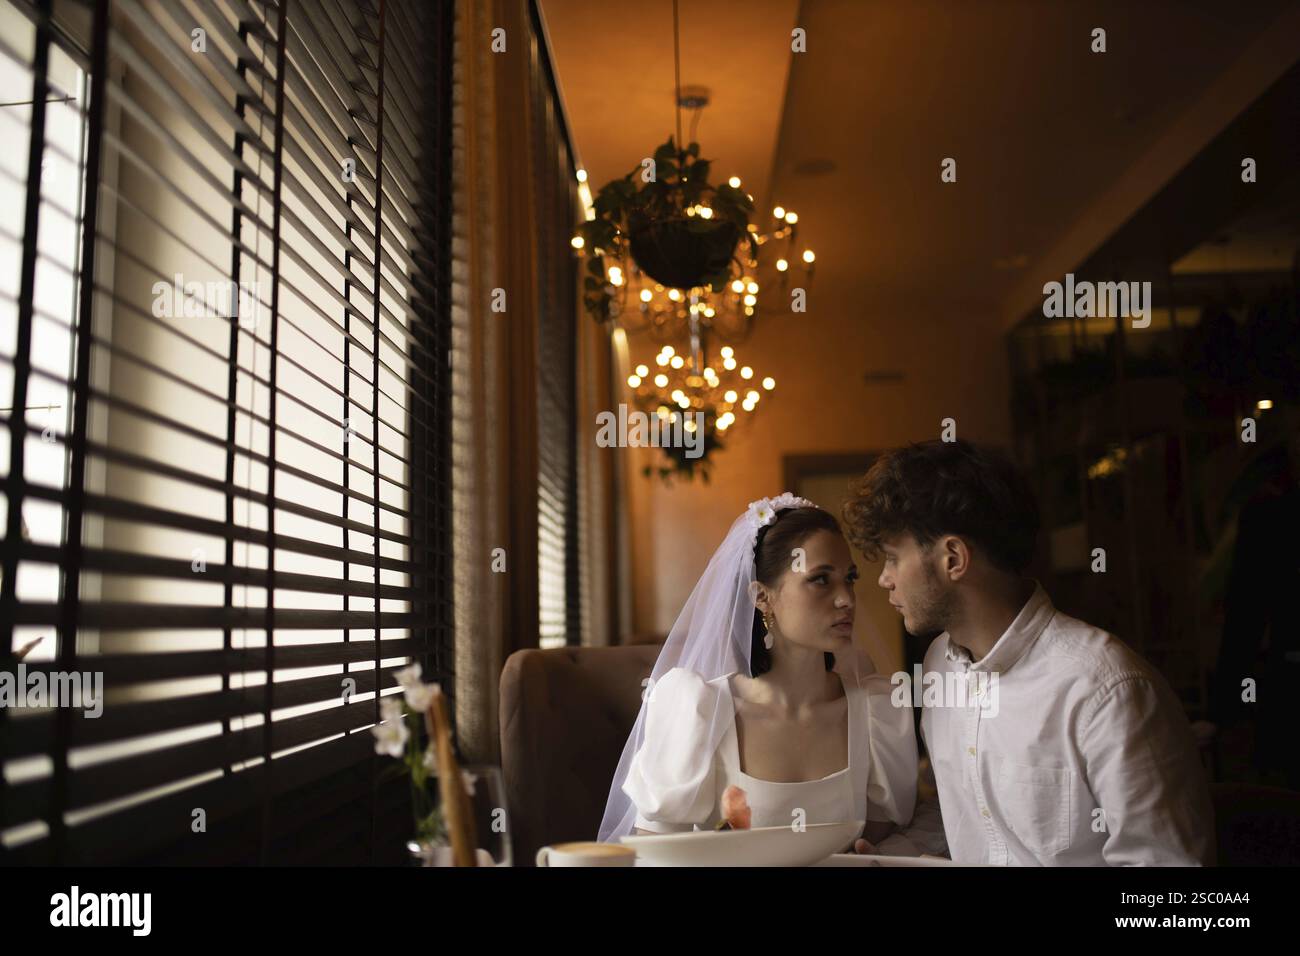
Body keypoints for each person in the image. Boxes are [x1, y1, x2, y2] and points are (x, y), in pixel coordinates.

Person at [842, 439, 1215, 865]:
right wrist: (890, 857)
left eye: (892, 558)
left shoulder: (1105, 689)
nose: (884, 580)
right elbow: (963, 814)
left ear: (953, 558)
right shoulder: (938, 665)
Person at [598, 494, 918, 846]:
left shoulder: (875, 712)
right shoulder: (696, 712)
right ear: (762, 596)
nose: (846, 599)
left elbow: (879, 847)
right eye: (821, 580)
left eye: (850, 578)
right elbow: (652, 855)